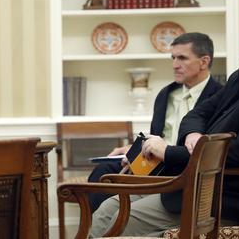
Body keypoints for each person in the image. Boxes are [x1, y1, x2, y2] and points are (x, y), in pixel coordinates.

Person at [90, 3, 239, 237]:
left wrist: (168, 152)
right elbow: (197, 114)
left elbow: (238, 155)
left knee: (122, 222)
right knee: (106, 210)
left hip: (232, 201)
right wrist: (194, 135)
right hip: (200, 186)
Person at [87, 32, 223, 211]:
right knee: (104, 170)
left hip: (185, 166)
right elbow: (156, 136)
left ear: (204, 62)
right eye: (173, 58)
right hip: (155, 162)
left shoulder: (220, 97)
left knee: (115, 185)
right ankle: (99, 231)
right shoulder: (166, 94)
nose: (175, 65)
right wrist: (134, 150)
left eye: (182, 58)